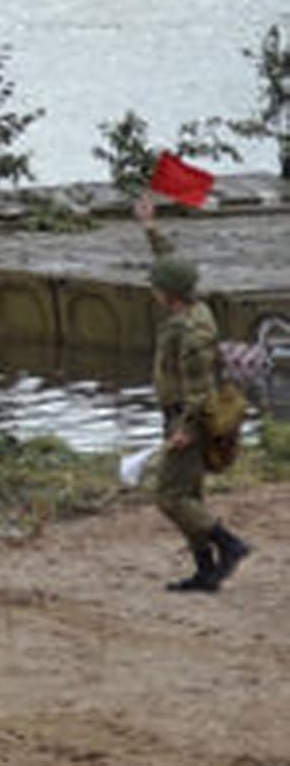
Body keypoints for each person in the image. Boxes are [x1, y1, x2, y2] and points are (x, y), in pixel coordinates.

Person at [135, 194, 251, 592]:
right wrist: (150, 228)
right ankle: (205, 571)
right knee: (190, 494)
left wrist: (183, 429)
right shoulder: (192, 308)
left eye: (156, 288)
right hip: (180, 413)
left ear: (168, 295)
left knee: (169, 497)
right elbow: (174, 265)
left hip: (189, 417)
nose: (153, 292)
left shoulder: (191, 332)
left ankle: (229, 545)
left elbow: (199, 390)